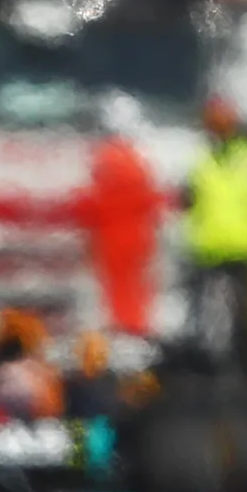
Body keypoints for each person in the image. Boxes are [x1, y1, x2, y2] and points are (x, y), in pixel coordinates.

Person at [183, 97, 247, 368]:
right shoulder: (198, 157)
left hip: (245, 243)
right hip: (208, 244)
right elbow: (187, 197)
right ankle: (207, 358)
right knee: (205, 309)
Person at [81, 93, 164, 338]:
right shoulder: (139, 162)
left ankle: (122, 331)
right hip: (138, 237)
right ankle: (136, 329)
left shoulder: (102, 160)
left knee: (115, 291)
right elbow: (153, 203)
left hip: (110, 237)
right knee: (136, 290)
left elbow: (91, 204)